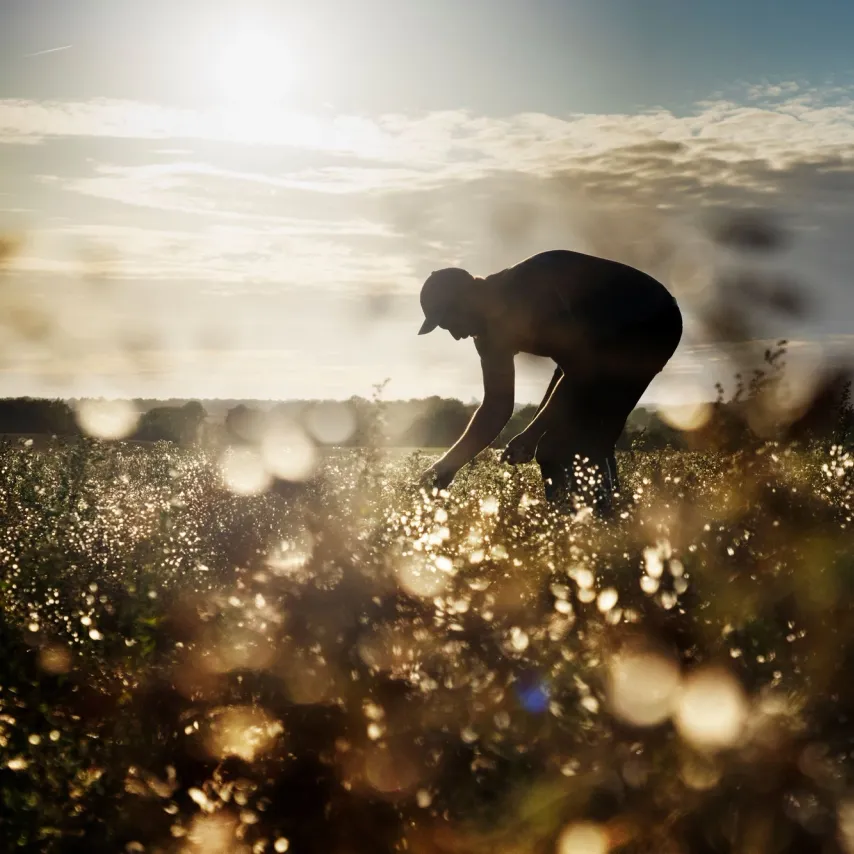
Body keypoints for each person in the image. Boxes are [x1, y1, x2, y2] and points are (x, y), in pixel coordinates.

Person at [417, 249, 682, 515]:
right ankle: (587, 522)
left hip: (649, 320)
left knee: (567, 444)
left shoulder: (528, 290)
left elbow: (581, 367)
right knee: (564, 442)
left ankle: (596, 529)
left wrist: (532, 434)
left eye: (449, 322)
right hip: (591, 347)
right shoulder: (486, 336)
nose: (454, 335)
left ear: (468, 299)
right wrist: (446, 467)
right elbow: (496, 407)